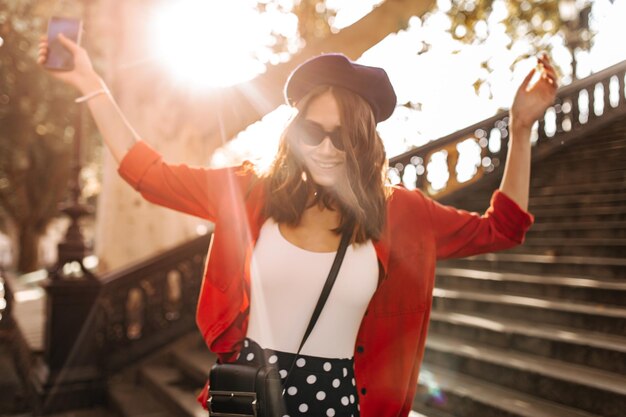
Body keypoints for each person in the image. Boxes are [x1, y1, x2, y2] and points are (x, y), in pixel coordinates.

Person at [38, 32, 557, 417]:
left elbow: (503, 227)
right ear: (294, 132)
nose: (328, 148)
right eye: (314, 131)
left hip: (343, 404)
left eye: (345, 137)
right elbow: (148, 173)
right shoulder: (249, 192)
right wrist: (90, 82)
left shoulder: (405, 213)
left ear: (367, 145)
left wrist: (520, 128)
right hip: (246, 396)